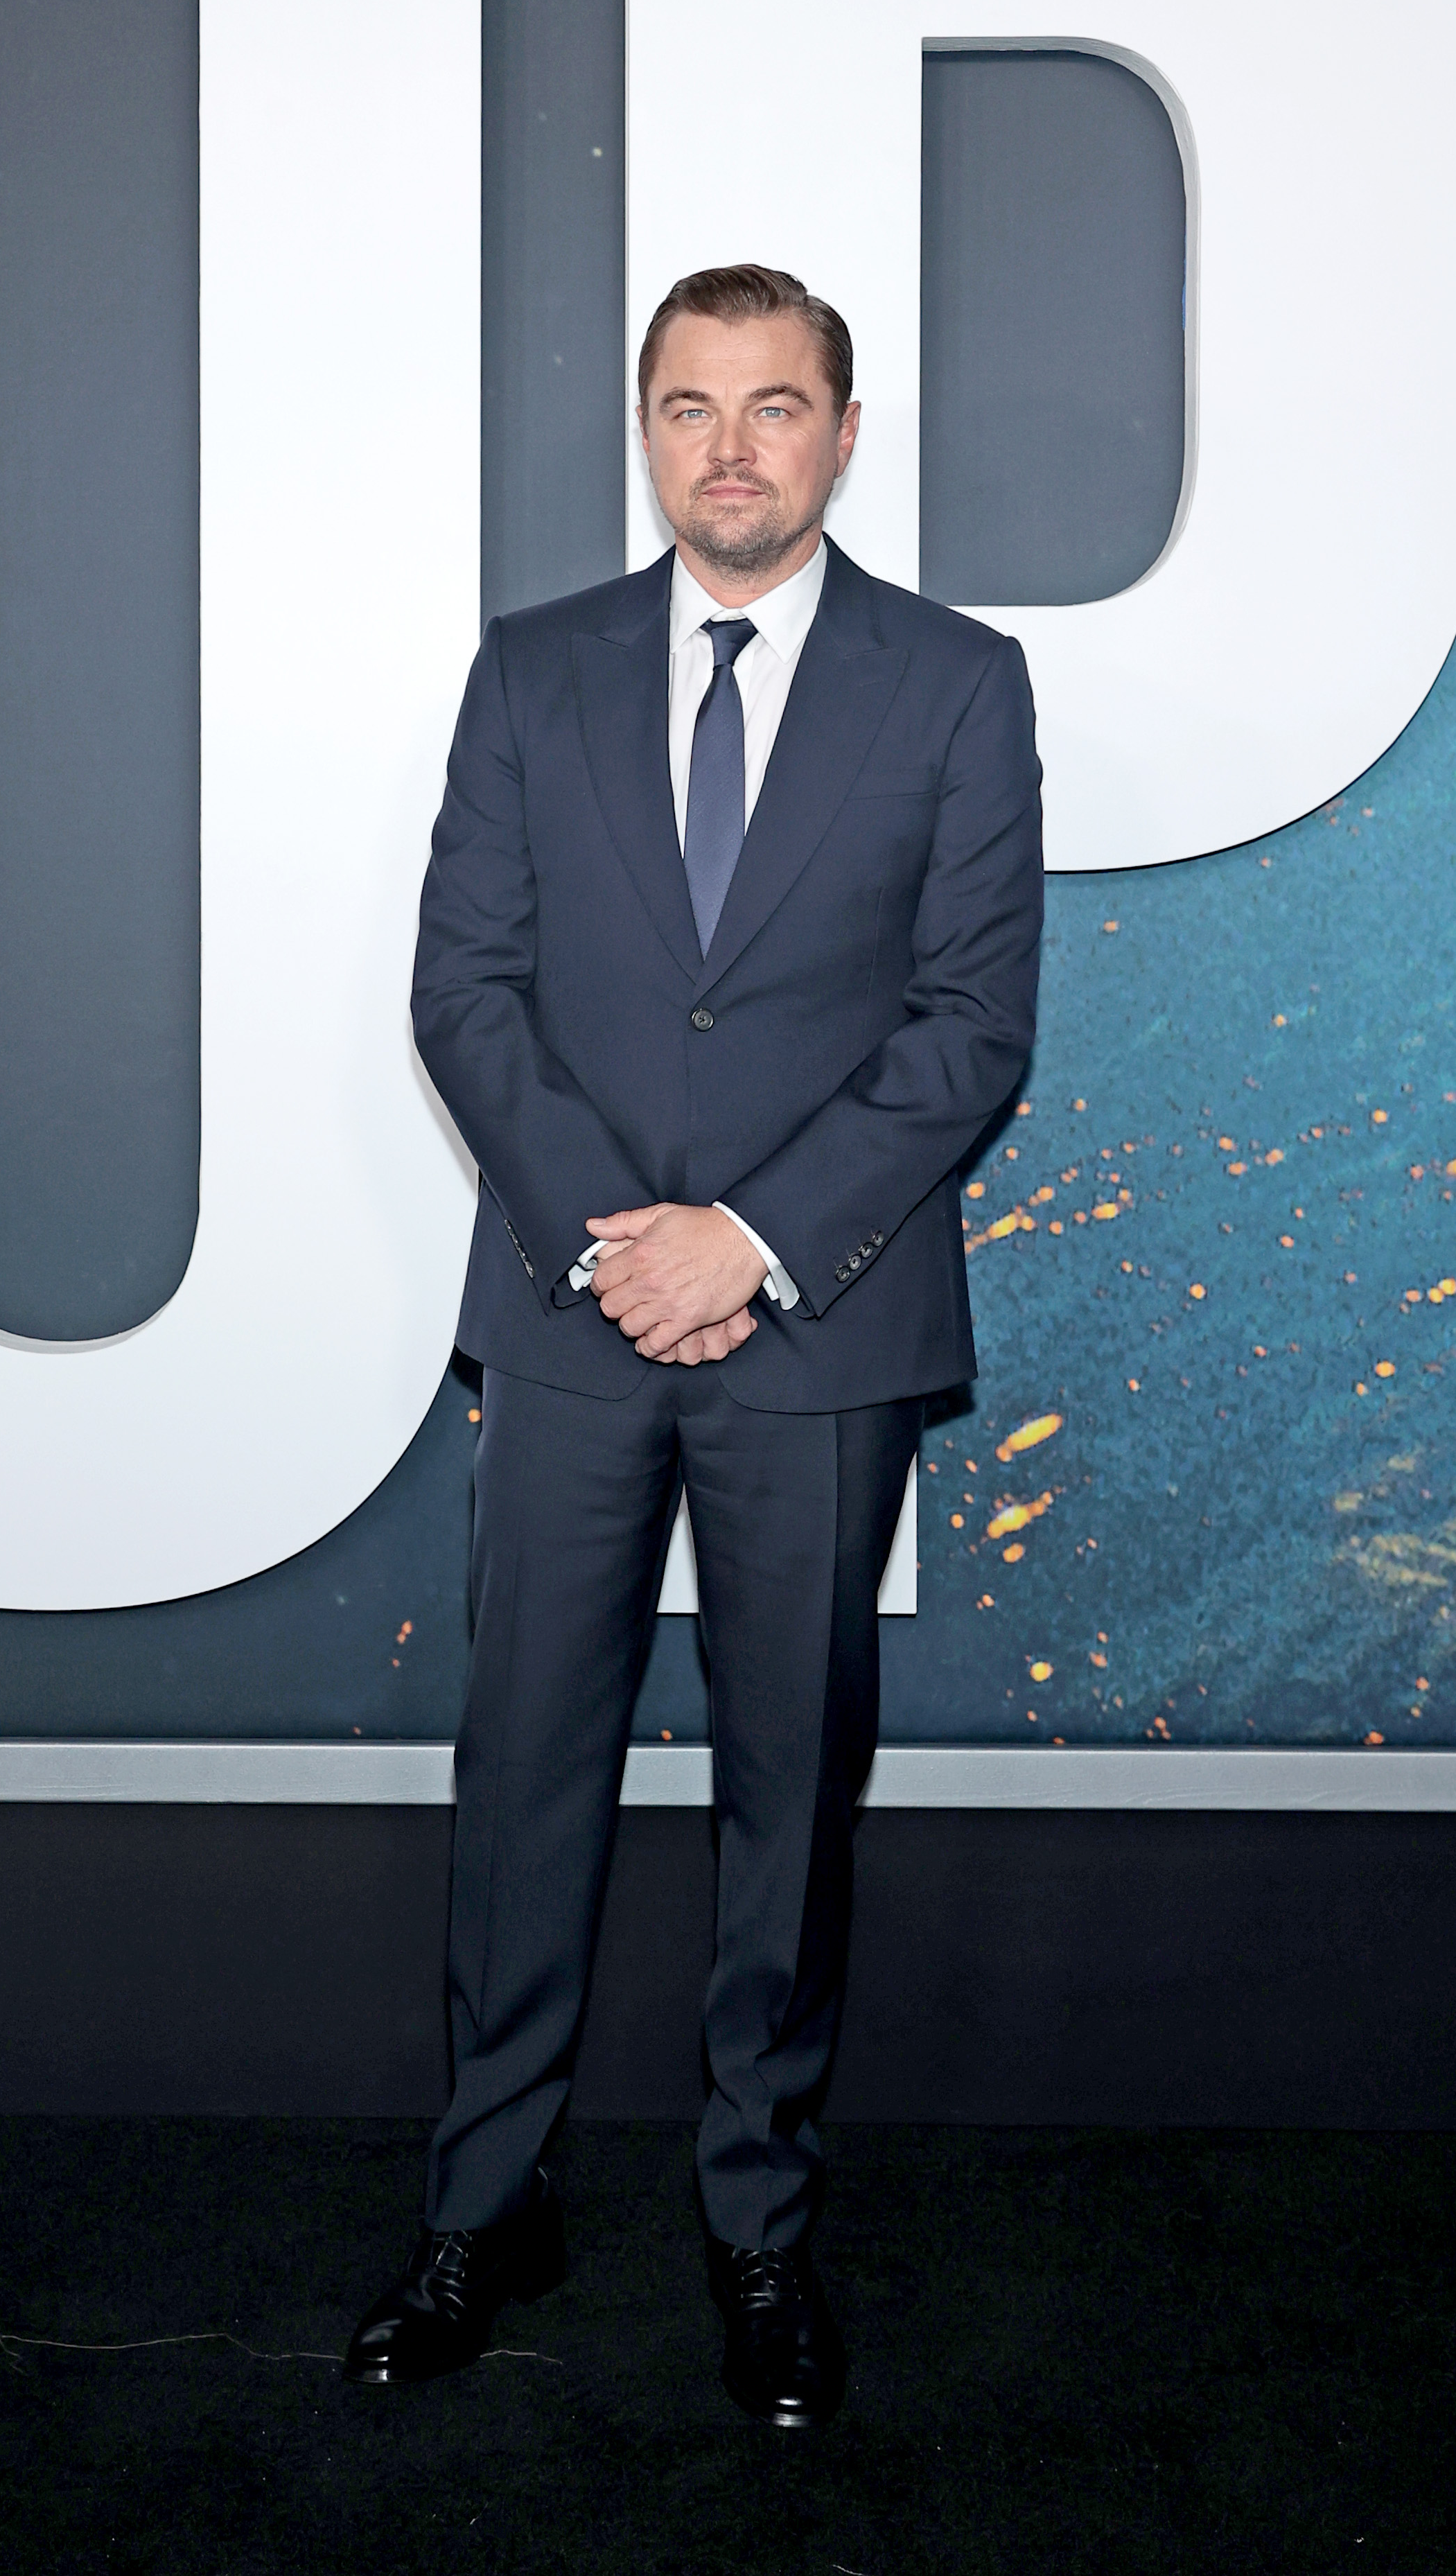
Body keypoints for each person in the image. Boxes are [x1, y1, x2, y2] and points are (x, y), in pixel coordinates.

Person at [344, 263, 1044, 2427]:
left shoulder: (956, 684)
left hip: (815, 1336)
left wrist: (745, 1244)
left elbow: (971, 1035)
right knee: (521, 1775)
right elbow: (465, 988)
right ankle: (491, 2203)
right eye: (685, 406)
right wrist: (612, 1243)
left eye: (774, 404)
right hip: (569, 1324)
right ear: (643, 433)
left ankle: (759, 2232)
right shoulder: (536, 672)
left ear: (847, 430)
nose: (727, 446)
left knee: (784, 1799)